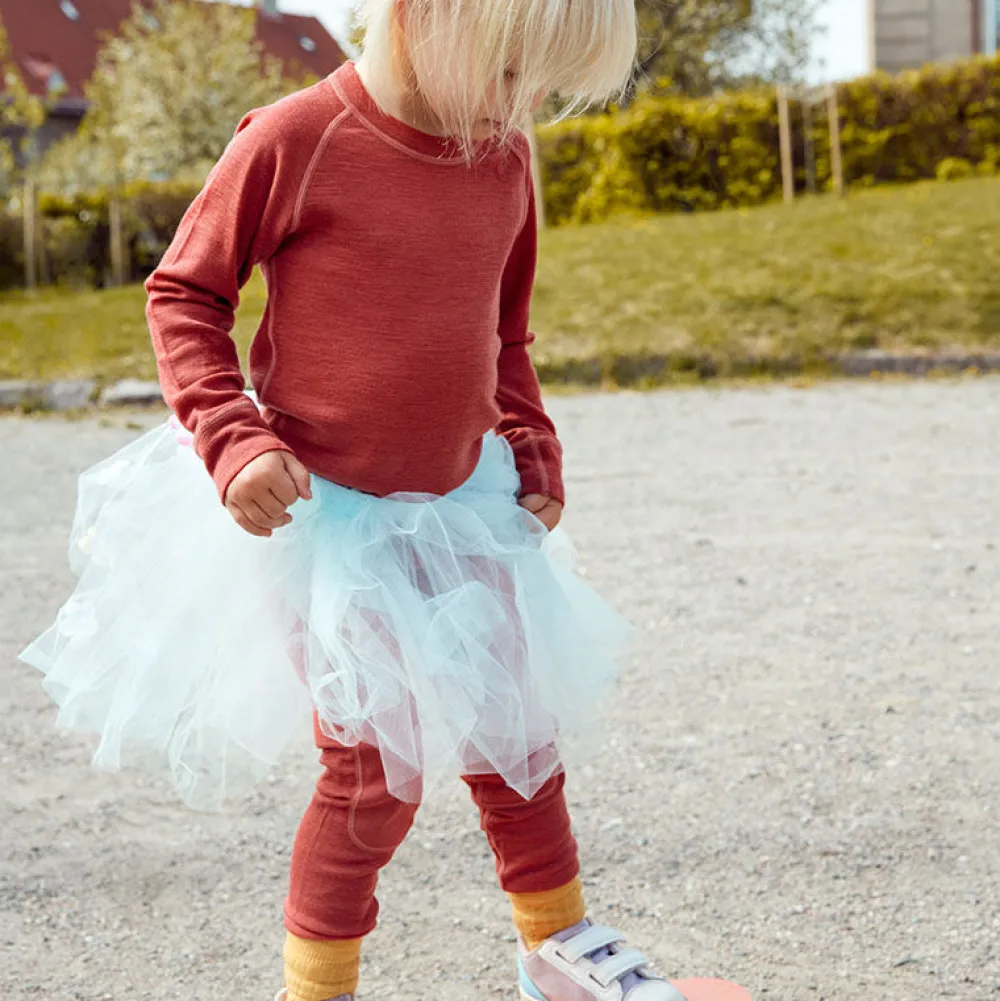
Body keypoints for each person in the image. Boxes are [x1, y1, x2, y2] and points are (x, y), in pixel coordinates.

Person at [20, 1, 688, 998]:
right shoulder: (297, 139)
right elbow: (184, 294)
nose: (527, 107)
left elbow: (502, 338)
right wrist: (232, 436)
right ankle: (318, 987)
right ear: (422, 18)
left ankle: (558, 948)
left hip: (465, 501)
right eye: (513, 75)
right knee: (376, 770)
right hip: (325, 517)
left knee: (518, 734)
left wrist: (531, 444)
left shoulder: (502, 159)